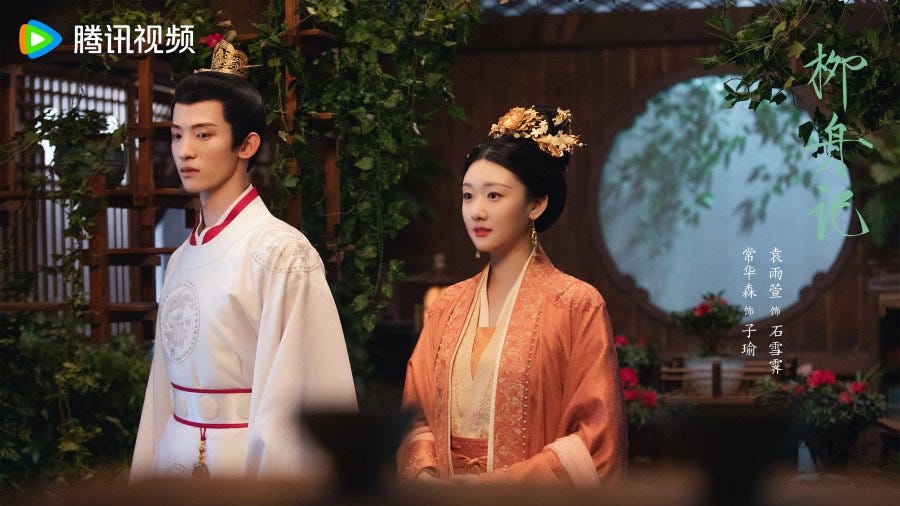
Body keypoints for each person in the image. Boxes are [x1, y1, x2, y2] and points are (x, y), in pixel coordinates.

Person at [130, 41, 357, 481]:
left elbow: (301, 395)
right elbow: (160, 394)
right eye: (176, 135)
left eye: (203, 134)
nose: (184, 151)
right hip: (174, 459)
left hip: (243, 468)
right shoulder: (181, 258)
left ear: (247, 144)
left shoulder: (281, 253)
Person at [397, 106, 626, 485]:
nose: (477, 211)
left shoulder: (576, 304)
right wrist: (425, 476)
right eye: (468, 196)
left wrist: (496, 486)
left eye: (494, 195)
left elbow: (596, 439)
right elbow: (416, 414)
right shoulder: (446, 306)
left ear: (536, 204)